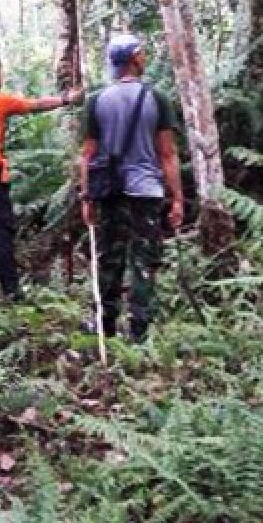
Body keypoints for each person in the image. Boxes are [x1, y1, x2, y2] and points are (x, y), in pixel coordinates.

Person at [0, 53, 83, 300]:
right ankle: (11, 291)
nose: (0, 77)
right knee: (1, 233)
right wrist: (66, 99)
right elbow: (35, 105)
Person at [79, 34, 184, 341]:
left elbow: (87, 155)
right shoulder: (157, 99)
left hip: (109, 191)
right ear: (135, 58)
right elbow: (167, 153)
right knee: (143, 259)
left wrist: (86, 196)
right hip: (146, 191)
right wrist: (177, 197)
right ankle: (138, 330)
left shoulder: (97, 101)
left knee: (109, 256)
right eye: (143, 53)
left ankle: (105, 324)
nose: (146, 57)